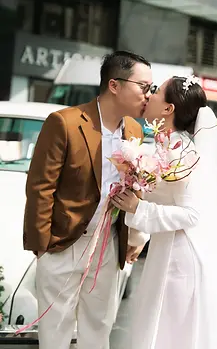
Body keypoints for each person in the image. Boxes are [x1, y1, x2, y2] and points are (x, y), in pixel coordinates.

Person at [112, 76, 217, 349]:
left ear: (168, 109)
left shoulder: (182, 152)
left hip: (182, 258)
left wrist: (138, 208)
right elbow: (167, 199)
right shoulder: (166, 145)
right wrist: (139, 235)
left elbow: (192, 214)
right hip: (167, 250)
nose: (150, 95)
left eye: (156, 91)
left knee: (173, 335)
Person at [23, 50, 154, 349]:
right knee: (55, 331)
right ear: (115, 85)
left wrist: (134, 234)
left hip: (108, 245)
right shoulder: (65, 122)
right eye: (144, 86)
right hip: (63, 244)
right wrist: (42, 245)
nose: (149, 94)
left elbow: (133, 187)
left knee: (99, 328)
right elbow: (41, 187)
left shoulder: (133, 130)